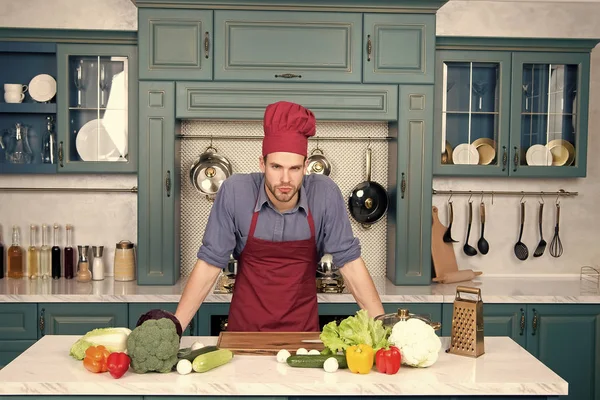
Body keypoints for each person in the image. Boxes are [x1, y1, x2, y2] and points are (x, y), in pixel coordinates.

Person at [175, 100, 384, 332]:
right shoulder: (235, 192)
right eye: (276, 167)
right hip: (244, 332)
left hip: (303, 335)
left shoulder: (325, 194)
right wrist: (176, 327)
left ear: (306, 166)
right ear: (262, 164)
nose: (285, 179)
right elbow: (209, 265)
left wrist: (384, 330)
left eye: (294, 168)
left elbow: (351, 265)